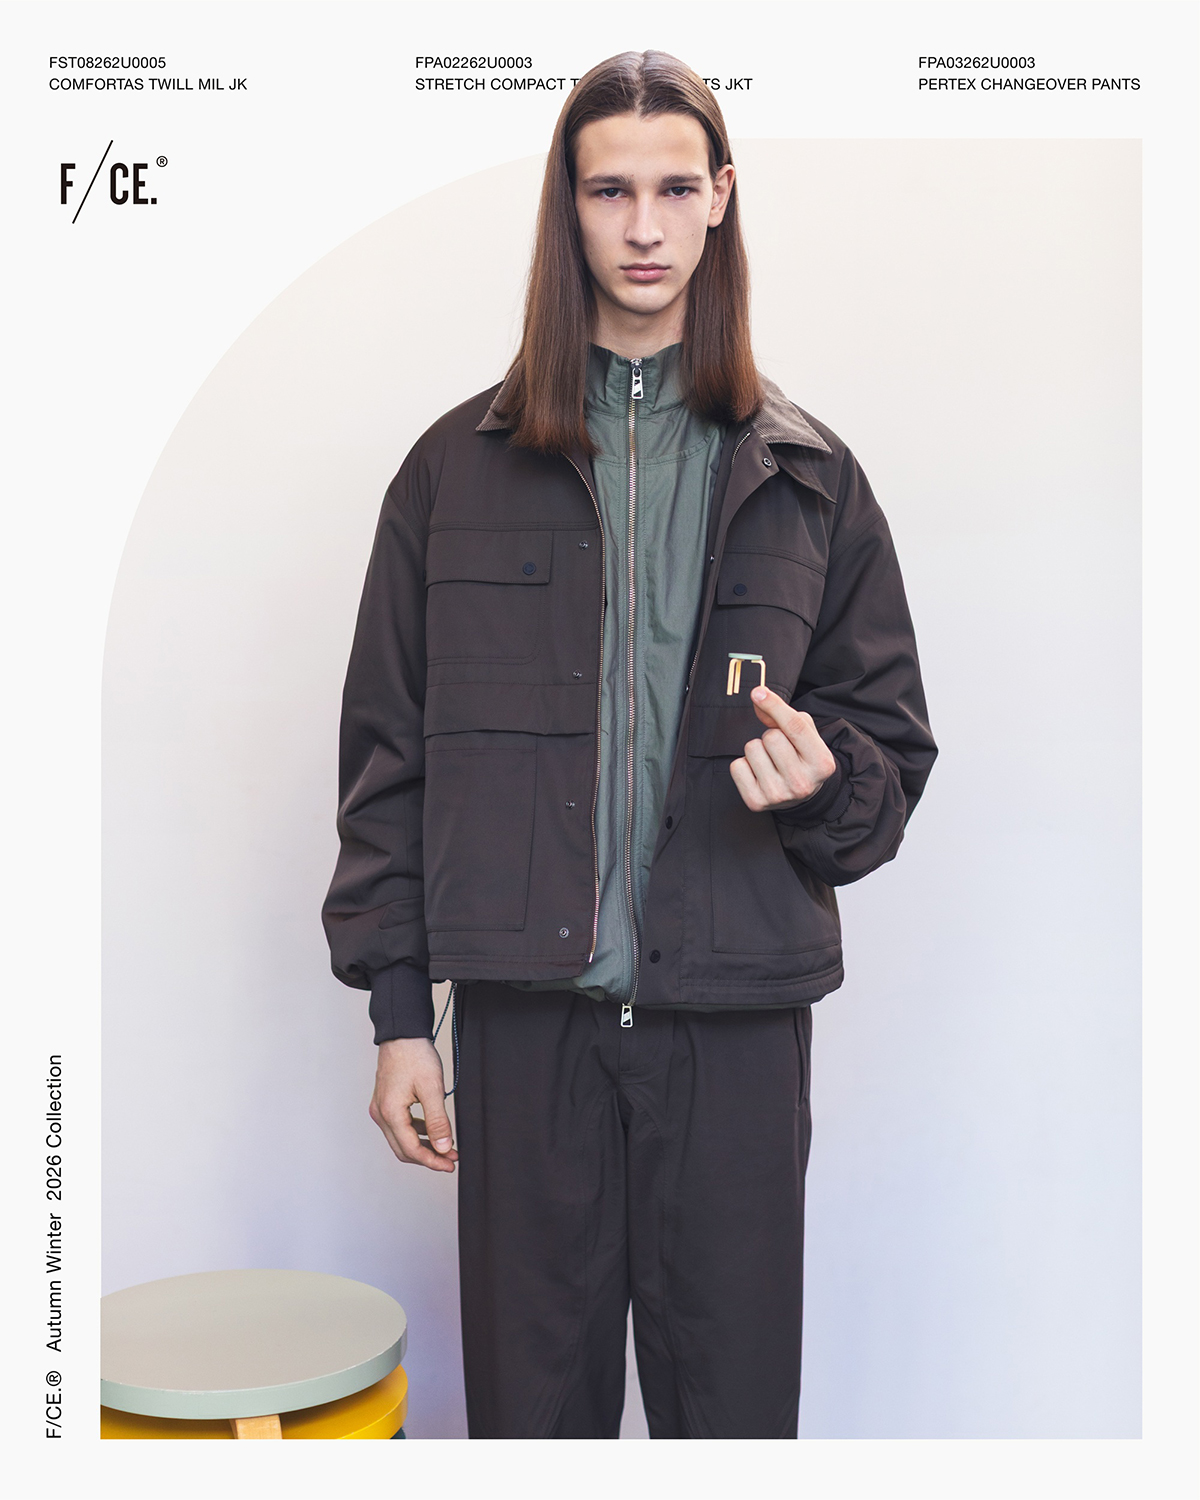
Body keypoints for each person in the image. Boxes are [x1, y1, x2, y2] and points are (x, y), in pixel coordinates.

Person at [322, 49, 936, 1440]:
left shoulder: (812, 479)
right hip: (525, 1029)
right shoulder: (451, 472)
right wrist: (399, 1015)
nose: (644, 226)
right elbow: (385, 760)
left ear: (722, 198)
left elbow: (891, 760)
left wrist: (824, 785)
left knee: (734, 1422)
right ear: (569, 205)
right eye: (610, 191)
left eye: (673, 188)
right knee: (532, 1425)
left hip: (736, 1030)